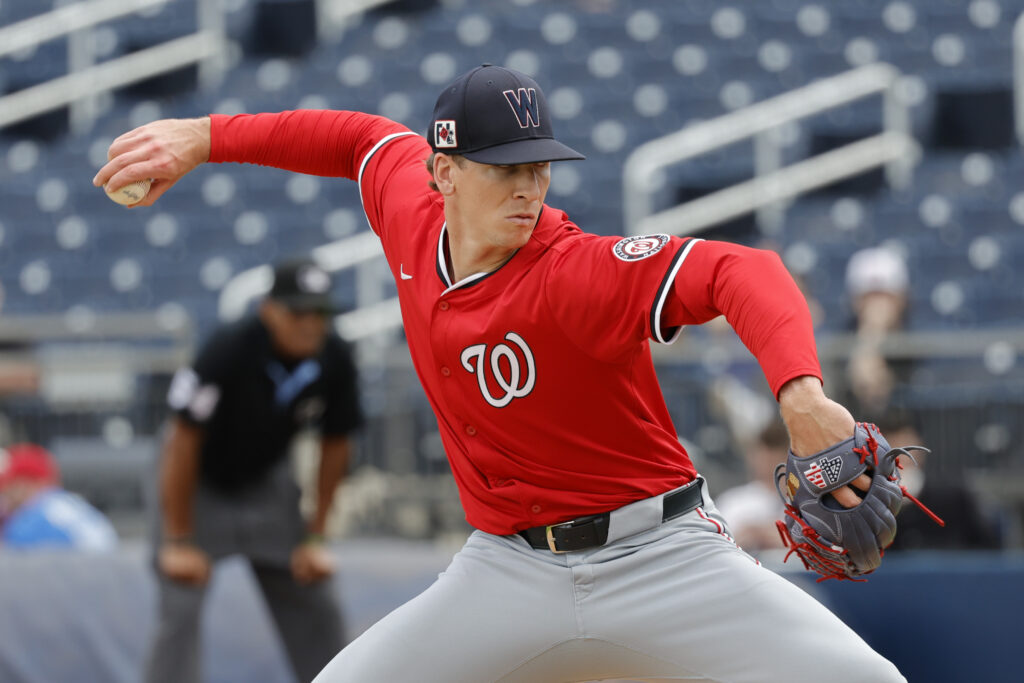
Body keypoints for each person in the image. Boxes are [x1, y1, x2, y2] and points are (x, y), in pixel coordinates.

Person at [97, 65, 908, 682]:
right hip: (508, 567)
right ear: (442, 171)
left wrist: (800, 391)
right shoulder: (409, 211)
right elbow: (353, 139)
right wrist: (206, 136)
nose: (528, 185)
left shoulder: (579, 271)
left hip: (662, 555)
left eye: (539, 166)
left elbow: (744, 270)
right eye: (503, 167)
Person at [143, 258, 364, 683]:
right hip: (195, 480)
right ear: (270, 310)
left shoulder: (335, 356)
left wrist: (316, 536)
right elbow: (182, 440)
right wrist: (177, 540)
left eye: (320, 313)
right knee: (180, 605)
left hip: (265, 481)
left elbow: (336, 443)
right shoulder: (230, 346)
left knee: (314, 593)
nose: (311, 324)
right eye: (298, 312)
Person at [879, 412, 1001, 552]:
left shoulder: (955, 496)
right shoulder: (871, 504)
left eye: (906, 445)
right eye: (892, 446)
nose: (901, 456)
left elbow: (990, 549)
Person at [0, 442, 118, 551]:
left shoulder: (29, 521)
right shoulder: (70, 503)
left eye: (9, 485)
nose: (5, 494)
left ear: (25, 485)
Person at [839, 246, 913, 418]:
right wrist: (871, 334)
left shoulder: (915, 343)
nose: (877, 305)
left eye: (885, 296)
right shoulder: (841, 342)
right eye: (869, 297)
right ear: (855, 301)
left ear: (901, 299)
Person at [713, 419, 789, 554]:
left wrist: (768, 535)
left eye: (775, 455)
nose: (767, 461)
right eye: (763, 454)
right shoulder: (734, 502)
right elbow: (716, 550)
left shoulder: (806, 505)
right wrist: (750, 535)